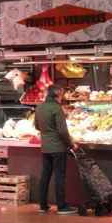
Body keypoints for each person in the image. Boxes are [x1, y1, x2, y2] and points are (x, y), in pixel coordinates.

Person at [34, 86, 78, 215]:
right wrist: (71, 144)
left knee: (45, 175)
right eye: (62, 94)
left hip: (45, 147)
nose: (62, 97)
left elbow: (37, 126)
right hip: (58, 147)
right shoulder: (56, 109)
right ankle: (62, 206)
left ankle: (42, 205)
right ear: (58, 95)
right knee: (59, 176)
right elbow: (63, 131)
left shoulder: (40, 107)